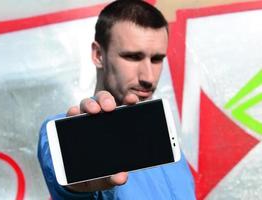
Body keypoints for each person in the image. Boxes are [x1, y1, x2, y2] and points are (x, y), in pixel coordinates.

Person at [38, 0, 196, 199]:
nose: (148, 76)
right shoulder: (64, 133)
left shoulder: (167, 147)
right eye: (132, 57)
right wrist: (75, 190)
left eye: (156, 59)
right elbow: (69, 189)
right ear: (98, 55)